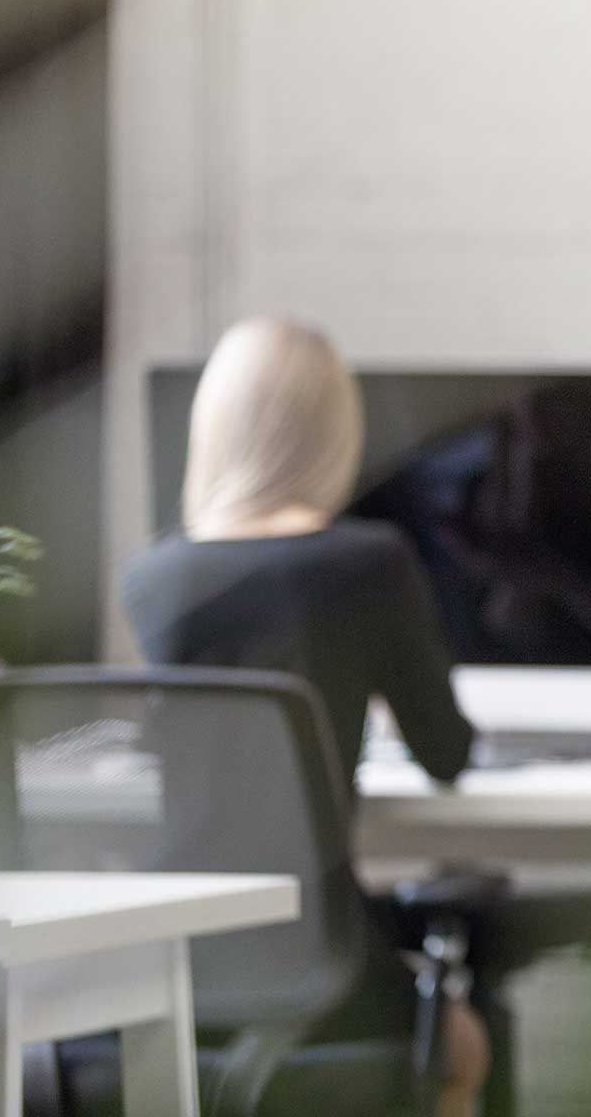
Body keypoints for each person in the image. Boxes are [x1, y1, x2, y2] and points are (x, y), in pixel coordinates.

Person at [124, 317, 489, 1117]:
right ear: (333, 436)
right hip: (319, 959)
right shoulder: (368, 562)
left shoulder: (152, 576)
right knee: (462, 1043)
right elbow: (448, 753)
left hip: (172, 960)